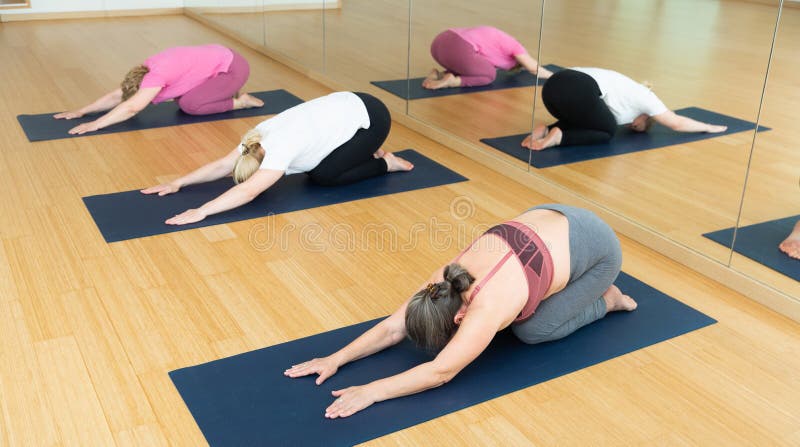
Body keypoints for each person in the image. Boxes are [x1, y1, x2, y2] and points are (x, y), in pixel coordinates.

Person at [285, 204, 637, 418]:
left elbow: (440, 372)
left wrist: (373, 390)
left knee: (531, 330)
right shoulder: (444, 279)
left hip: (599, 248)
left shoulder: (487, 307)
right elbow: (394, 327)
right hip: (555, 214)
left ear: (459, 317)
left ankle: (608, 299)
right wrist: (335, 358)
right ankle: (561, 286)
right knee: (522, 309)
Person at [141, 91, 413, 225]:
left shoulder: (280, 149)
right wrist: (178, 182)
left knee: (324, 176)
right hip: (349, 102)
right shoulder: (255, 139)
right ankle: (360, 150)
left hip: (373, 118)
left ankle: (385, 163)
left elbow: (248, 191)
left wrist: (202, 211)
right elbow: (224, 164)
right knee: (316, 164)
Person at [54, 44, 264, 134]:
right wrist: (82, 111)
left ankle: (240, 101)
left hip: (233, 69)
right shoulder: (147, 70)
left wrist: (95, 124)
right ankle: (219, 91)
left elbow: (131, 107)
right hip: (220, 59)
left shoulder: (157, 76)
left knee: (190, 105)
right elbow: (118, 95)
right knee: (179, 101)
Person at [522, 68, 728, 150]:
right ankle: (558, 137)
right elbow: (676, 122)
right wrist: (709, 127)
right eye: (638, 127)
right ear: (645, 118)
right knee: (607, 129)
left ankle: (547, 129)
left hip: (552, 87)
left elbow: (585, 111)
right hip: (576, 87)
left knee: (588, 120)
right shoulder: (647, 99)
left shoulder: (626, 87)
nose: (632, 126)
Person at [422, 26, 552, 90]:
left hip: (440, 42)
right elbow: (533, 68)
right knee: (489, 74)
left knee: (472, 67)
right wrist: (552, 75)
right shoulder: (516, 47)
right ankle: (453, 81)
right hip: (460, 47)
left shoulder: (499, 40)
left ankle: (438, 75)